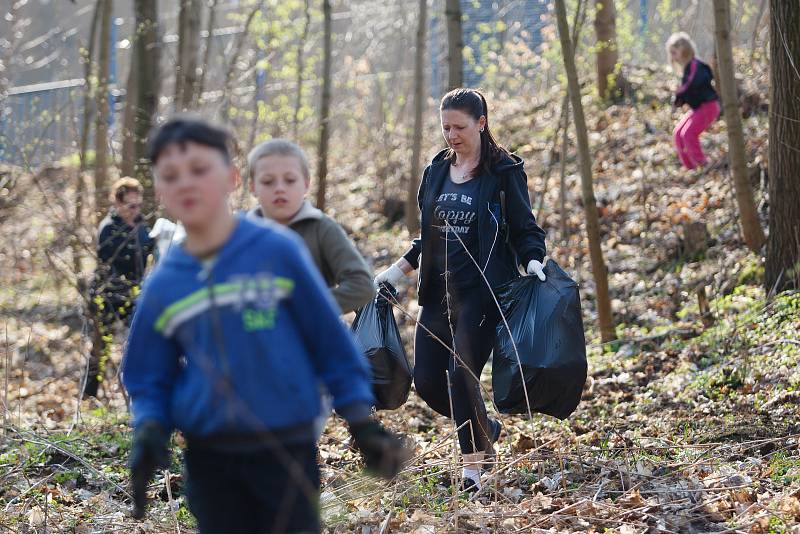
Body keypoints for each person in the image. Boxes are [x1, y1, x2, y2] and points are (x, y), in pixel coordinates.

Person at [121, 117, 409, 533]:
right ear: (159, 189)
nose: (185, 183)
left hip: (287, 444)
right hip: (209, 454)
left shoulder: (277, 251)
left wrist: (361, 421)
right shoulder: (167, 283)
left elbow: (329, 341)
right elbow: (148, 374)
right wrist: (149, 428)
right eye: (170, 175)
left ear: (233, 178)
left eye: (200, 170)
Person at [375, 88, 547, 492]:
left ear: (482, 123)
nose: (451, 135)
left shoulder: (503, 172)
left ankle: (473, 471)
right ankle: (484, 428)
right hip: (438, 293)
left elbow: (525, 229)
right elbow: (428, 238)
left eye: (459, 127)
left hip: (484, 292)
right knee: (429, 382)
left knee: (461, 375)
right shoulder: (436, 170)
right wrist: (397, 272)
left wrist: (534, 258)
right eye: (445, 127)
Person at [246, 139, 374, 315]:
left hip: (311, 339)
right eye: (268, 182)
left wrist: (308, 308)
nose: (280, 188)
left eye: (290, 180)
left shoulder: (321, 228)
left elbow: (362, 286)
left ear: (306, 184)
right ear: (252, 187)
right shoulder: (240, 234)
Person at [85, 177, 153, 398]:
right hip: (108, 294)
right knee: (100, 347)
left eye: (138, 205)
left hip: (134, 294)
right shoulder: (108, 228)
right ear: (117, 203)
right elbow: (111, 261)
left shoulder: (142, 226)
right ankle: (90, 395)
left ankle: (136, 392)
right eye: (130, 205)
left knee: (140, 341)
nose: (135, 210)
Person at [667, 32, 720, 170]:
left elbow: (694, 83)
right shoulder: (687, 70)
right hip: (698, 108)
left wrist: (681, 91)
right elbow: (685, 91)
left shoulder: (697, 66)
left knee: (688, 133)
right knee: (678, 133)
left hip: (708, 106)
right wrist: (678, 99)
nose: (673, 57)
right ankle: (690, 167)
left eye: (674, 53)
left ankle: (703, 163)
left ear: (684, 50)